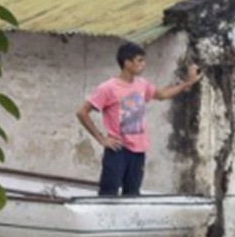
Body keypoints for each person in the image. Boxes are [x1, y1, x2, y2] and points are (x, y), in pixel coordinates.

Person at [76, 41, 202, 196]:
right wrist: (101, 138)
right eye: (139, 60)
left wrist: (187, 83)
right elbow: (82, 112)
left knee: (132, 194)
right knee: (108, 194)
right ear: (127, 63)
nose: (143, 64)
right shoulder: (108, 88)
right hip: (118, 149)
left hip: (138, 150)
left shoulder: (142, 84)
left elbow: (161, 95)